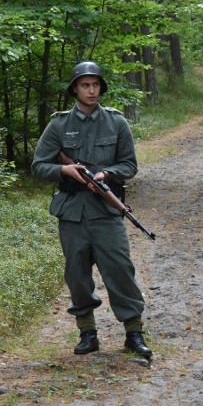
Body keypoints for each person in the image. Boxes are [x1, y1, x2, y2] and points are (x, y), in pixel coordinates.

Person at [31, 61, 152, 359]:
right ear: (75, 88)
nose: (91, 90)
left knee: (121, 270)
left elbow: (129, 165)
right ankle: (87, 333)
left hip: (106, 212)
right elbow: (38, 166)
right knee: (77, 274)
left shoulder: (116, 123)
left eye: (95, 85)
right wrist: (66, 170)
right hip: (72, 213)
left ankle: (133, 332)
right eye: (85, 85)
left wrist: (106, 175)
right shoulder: (59, 124)